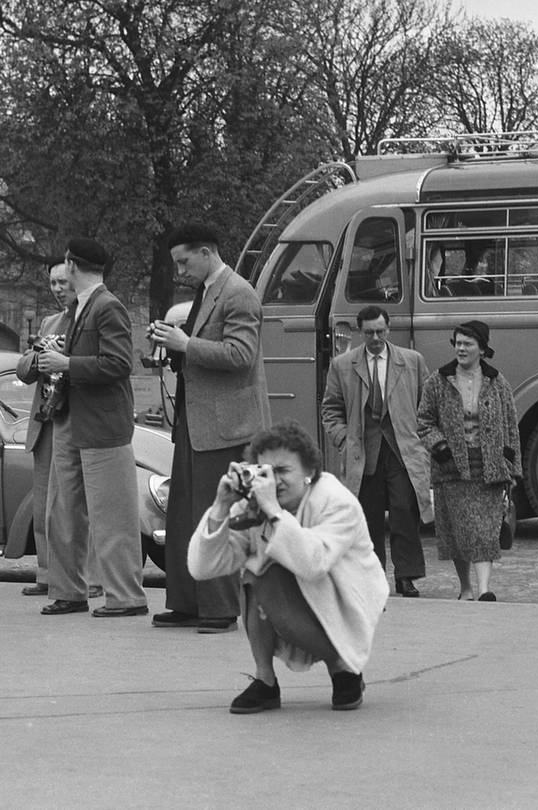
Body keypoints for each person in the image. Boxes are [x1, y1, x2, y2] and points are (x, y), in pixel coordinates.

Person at [187, 422, 387, 713]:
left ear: (309, 472)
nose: (273, 480)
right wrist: (220, 507)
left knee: (265, 568)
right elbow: (202, 568)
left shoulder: (337, 501)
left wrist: (274, 512)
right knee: (254, 574)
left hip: (346, 599)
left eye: (282, 471)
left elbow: (314, 564)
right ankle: (265, 681)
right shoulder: (254, 503)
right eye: (264, 471)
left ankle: (342, 666)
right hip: (293, 593)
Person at [149, 223, 270, 634]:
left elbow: (241, 354)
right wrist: (174, 348)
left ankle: (219, 608)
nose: (180, 270)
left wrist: (185, 345)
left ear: (206, 252)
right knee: (184, 514)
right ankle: (186, 601)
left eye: (184, 261)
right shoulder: (205, 292)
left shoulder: (239, 293)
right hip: (196, 422)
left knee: (215, 515)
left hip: (225, 428)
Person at [36, 237, 148, 618]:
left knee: (112, 514)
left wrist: (65, 364)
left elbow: (118, 364)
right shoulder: (86, 306)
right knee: (62, 511)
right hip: (72, 420)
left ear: (71, 264)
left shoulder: (107, 306)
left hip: (102, 425)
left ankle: (126, 597)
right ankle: (69, 591)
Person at [320, 306, 433, 597]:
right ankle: (372, 575)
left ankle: (407, 576)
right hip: (363, 451)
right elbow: (330, 409)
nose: (375, 338)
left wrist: (420, 440)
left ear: (389, 328)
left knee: (404, 511)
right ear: (360, 332)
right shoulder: (343, 365)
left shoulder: (412, 361)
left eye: (380, 331)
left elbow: (428, 406)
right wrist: (345, 440)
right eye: (369, 332)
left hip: (401, 449)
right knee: (367, 516)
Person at [418, 320, 521, 602]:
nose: (461, 348)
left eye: (467, 343)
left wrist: (512, 467)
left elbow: (511, 425)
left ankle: (485, 590)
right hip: (452, 468)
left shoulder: (498, 383)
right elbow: (424, 422)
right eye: (458, 343)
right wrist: (440, 449)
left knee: (483, 531)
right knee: (458, 532)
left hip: (489, 468)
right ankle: (465, 587)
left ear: (482, 349)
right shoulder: (437, 382)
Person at [16, 262, 100, 598]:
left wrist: (66, 355)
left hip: (79, 421)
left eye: (63, 281)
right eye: (51, 282)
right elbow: (23, 369)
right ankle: (47, 573)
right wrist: (40, 356)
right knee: (44, 506)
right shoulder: (49, 322)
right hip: (47, 423)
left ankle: (87, 578)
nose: (57, 288)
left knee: (79, 506)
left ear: (77, 281)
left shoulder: (91, 318)